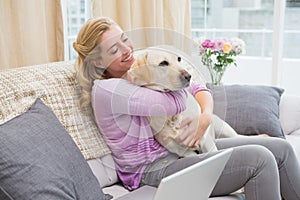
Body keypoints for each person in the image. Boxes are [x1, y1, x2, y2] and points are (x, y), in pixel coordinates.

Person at [73, 17, 300, 200]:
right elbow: (174, 102)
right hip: (152, 171)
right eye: (114, 49)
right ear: (98, 62)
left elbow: (198, 87)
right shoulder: (109, 90)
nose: (127, 50)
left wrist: (205, 116)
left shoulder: (141, 68)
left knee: (280, 149)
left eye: (125, 39)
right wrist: (182, 87)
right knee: (259, 159)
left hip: (181, 151)